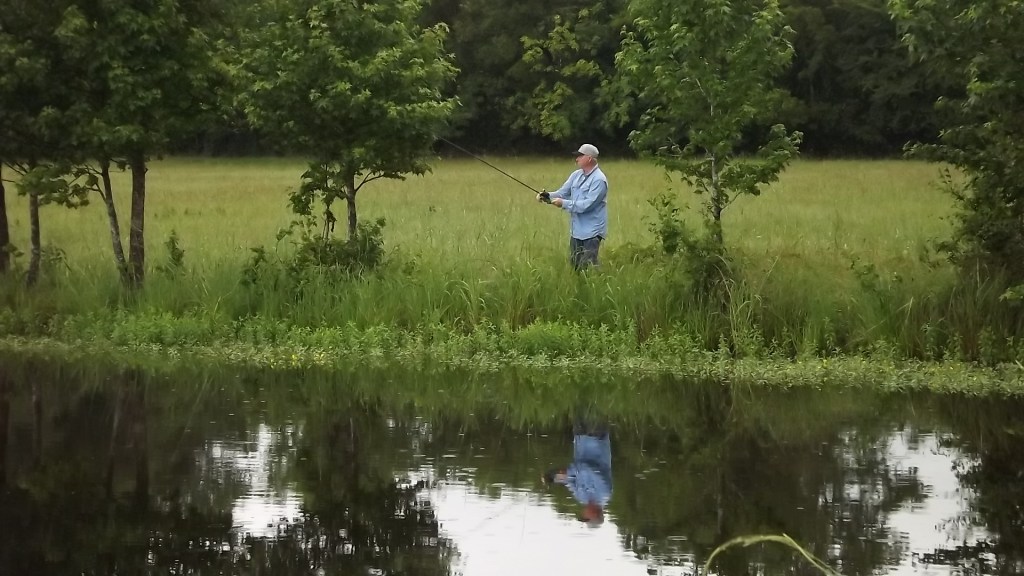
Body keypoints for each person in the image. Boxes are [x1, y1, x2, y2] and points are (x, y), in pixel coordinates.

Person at [538, 143, 608, 270]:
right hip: (576, 231)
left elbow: (587, 205)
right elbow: (562, 193)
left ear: (589, 158)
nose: (576, 159)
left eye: (580, 156)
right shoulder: (576, 175)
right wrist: (547, 196)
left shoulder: (599, 180)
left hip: (592, 232)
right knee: (575, 267)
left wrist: (563, 203)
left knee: (588, 267)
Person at [543, 417, 612, 527]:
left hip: (580, 438)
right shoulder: (604, 492)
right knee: (596, 407)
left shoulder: (582, 498)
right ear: (594, 515)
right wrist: (568, 471)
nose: (583, 513)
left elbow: (569, 481)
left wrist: (553, 478)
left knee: (577, 405)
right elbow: (589, 469)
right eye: (586, 517)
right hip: (596, 437)